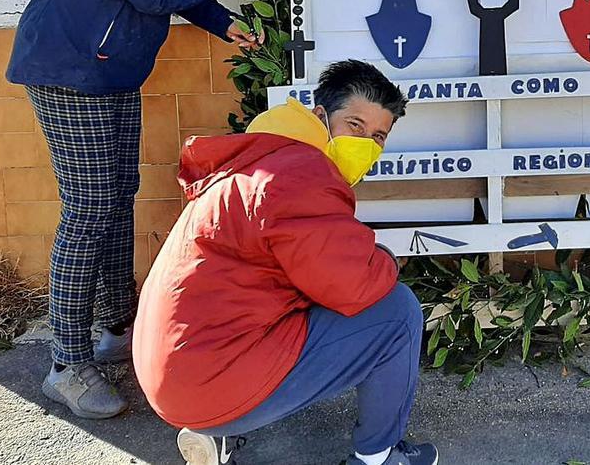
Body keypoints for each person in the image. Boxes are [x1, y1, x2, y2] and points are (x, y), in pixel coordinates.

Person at [4, 0, 272, 419]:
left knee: (115, 195)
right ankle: (67, 364)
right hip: (71, 66)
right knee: (90, 206)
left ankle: (116, 326)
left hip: (110, 66)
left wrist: (219, 22)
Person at [133, 60, 436, 465]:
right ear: (320, 116)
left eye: (378, 136)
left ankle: (216, 432)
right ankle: (378, 456)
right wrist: (384, 258)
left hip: (173, 371)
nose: (367, 143)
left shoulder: (258, 160)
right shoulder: (298, 174)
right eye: (355, 125)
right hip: (207, 381)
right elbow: (355, 282)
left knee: (306, 292)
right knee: (397, 312)